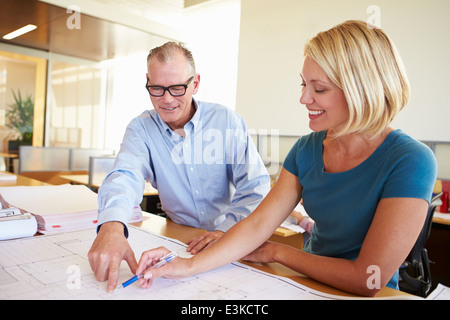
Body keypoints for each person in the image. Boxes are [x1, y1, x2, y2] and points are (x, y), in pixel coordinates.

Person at [135, 20, 437, 297]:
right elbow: (257, 226)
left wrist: (276, 252)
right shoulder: (306, 149)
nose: (304, 98)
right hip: (305, 282)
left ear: (362, 90)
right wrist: (186, 265)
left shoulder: (411, 160)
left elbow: (368, 279)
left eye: (319, 88)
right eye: (303, 84)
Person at [88, 42, 270, 293]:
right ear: (147, 82)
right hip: (180, 240)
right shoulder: (141, 129)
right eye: (156, 88)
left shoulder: (226, 121)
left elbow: (255, 187)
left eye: (176, 88)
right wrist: (112, 224)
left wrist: (225, 231)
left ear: (195, 83)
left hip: (233, 237)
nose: (166, 99)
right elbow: (125, 175)